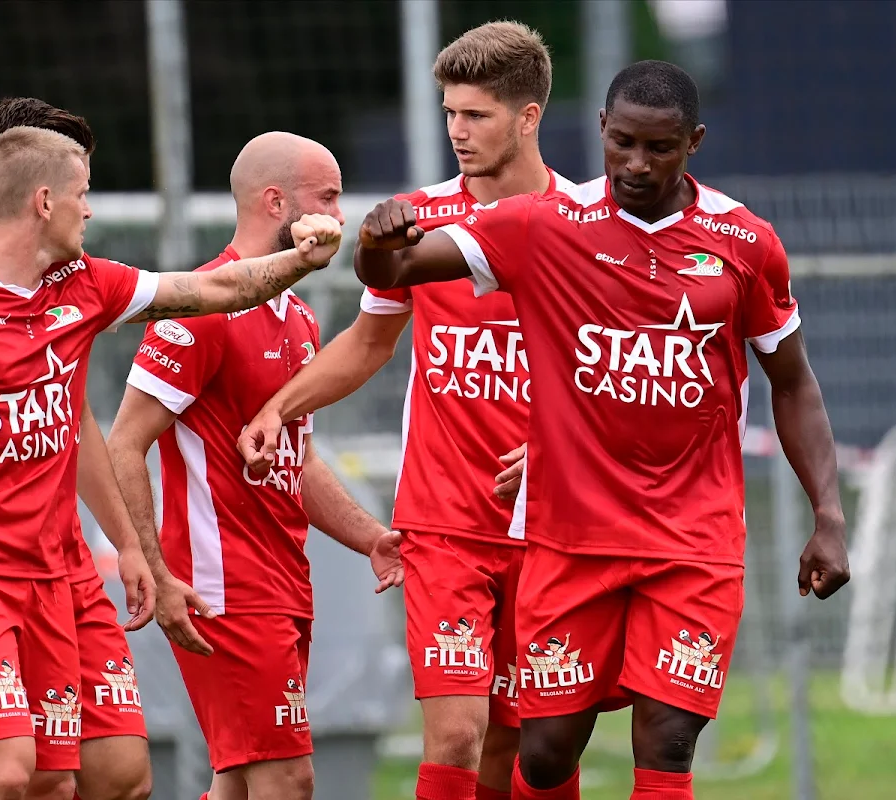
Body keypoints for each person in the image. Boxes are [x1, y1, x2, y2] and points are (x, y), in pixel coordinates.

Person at [352, 60, 850, 800]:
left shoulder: (744, 242)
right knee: (546, 751)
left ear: (695, 143)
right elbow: (394, 273)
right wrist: (376, 236)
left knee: (668, 737)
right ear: (600, 133)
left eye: (660, 148)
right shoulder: (546, 225)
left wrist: (829, 515)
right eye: (622, 144)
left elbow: (794, 381)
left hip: (694, 538)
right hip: (570, 539)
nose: (636, 165)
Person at [0, 125, 342, 800]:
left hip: (53, 570)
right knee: (13, 771)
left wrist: (302, 260)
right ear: (45, 201)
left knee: (115, 776)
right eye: (83, 193)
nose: (91, 210)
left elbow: (214, 291)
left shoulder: (84, 284)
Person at [237, 22, 570, 800]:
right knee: (456, 732)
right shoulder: (416, 222)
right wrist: (279, 407)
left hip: (552, 524)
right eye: (449, 112)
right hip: (445, 522)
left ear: (528, 117)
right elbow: (367, 342)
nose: (456, 131)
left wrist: (561, 452)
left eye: (476, 115)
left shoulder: (580, 226)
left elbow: (610, 381)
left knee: (527, 743)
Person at [106, 131, 404, 800]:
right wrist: (158, 572)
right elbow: (124, 441)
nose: (339, 211)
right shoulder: (200, 314)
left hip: (282, 582)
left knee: (239, 780)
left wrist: (369, 539)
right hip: (224, 589)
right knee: (287, 779)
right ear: (277, 202)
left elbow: (299, 459)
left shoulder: (297, 316)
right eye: (325, 198)